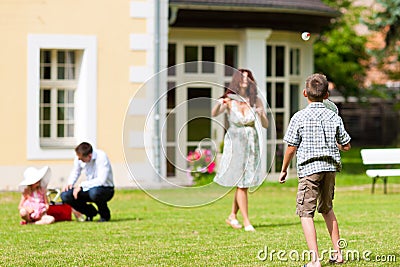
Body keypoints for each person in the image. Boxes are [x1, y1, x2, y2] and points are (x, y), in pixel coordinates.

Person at [278, 73, 351, 267]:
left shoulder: (299, 117)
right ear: (327, 95)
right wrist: (336, 144)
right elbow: (346, 145)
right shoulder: (333, 116)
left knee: (305, 213)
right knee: (327, 209)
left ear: (304, 93)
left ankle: (315, 260)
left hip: (309, 170)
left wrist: (284, 169)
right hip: (329, 169)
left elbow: (291, 147)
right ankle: (338, 254)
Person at [212, 68, 269, 232]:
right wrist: (219, 103)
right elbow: (214, 113)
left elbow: (265, 125)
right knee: (242, 183)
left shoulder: (255, 100)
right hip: (236, 143)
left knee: (243, 182)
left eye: (248, 78)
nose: (245, 80)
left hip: (251, 144)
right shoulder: (229, 100)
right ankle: (246, 221)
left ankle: (232, 215)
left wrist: (261, 114)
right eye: (242, 78)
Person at [61, 142, 114, 222]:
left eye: (81, 159)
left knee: (95, 192)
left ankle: (104, 215)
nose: (79, 160)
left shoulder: (102, 157)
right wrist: (70, 184)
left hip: (106, 189)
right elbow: (76, 171)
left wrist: (81, 185)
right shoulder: (80, 157)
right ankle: (90, 212)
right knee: (66, 195)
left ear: (89, 156)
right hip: (89, 188)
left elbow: (101, 180)